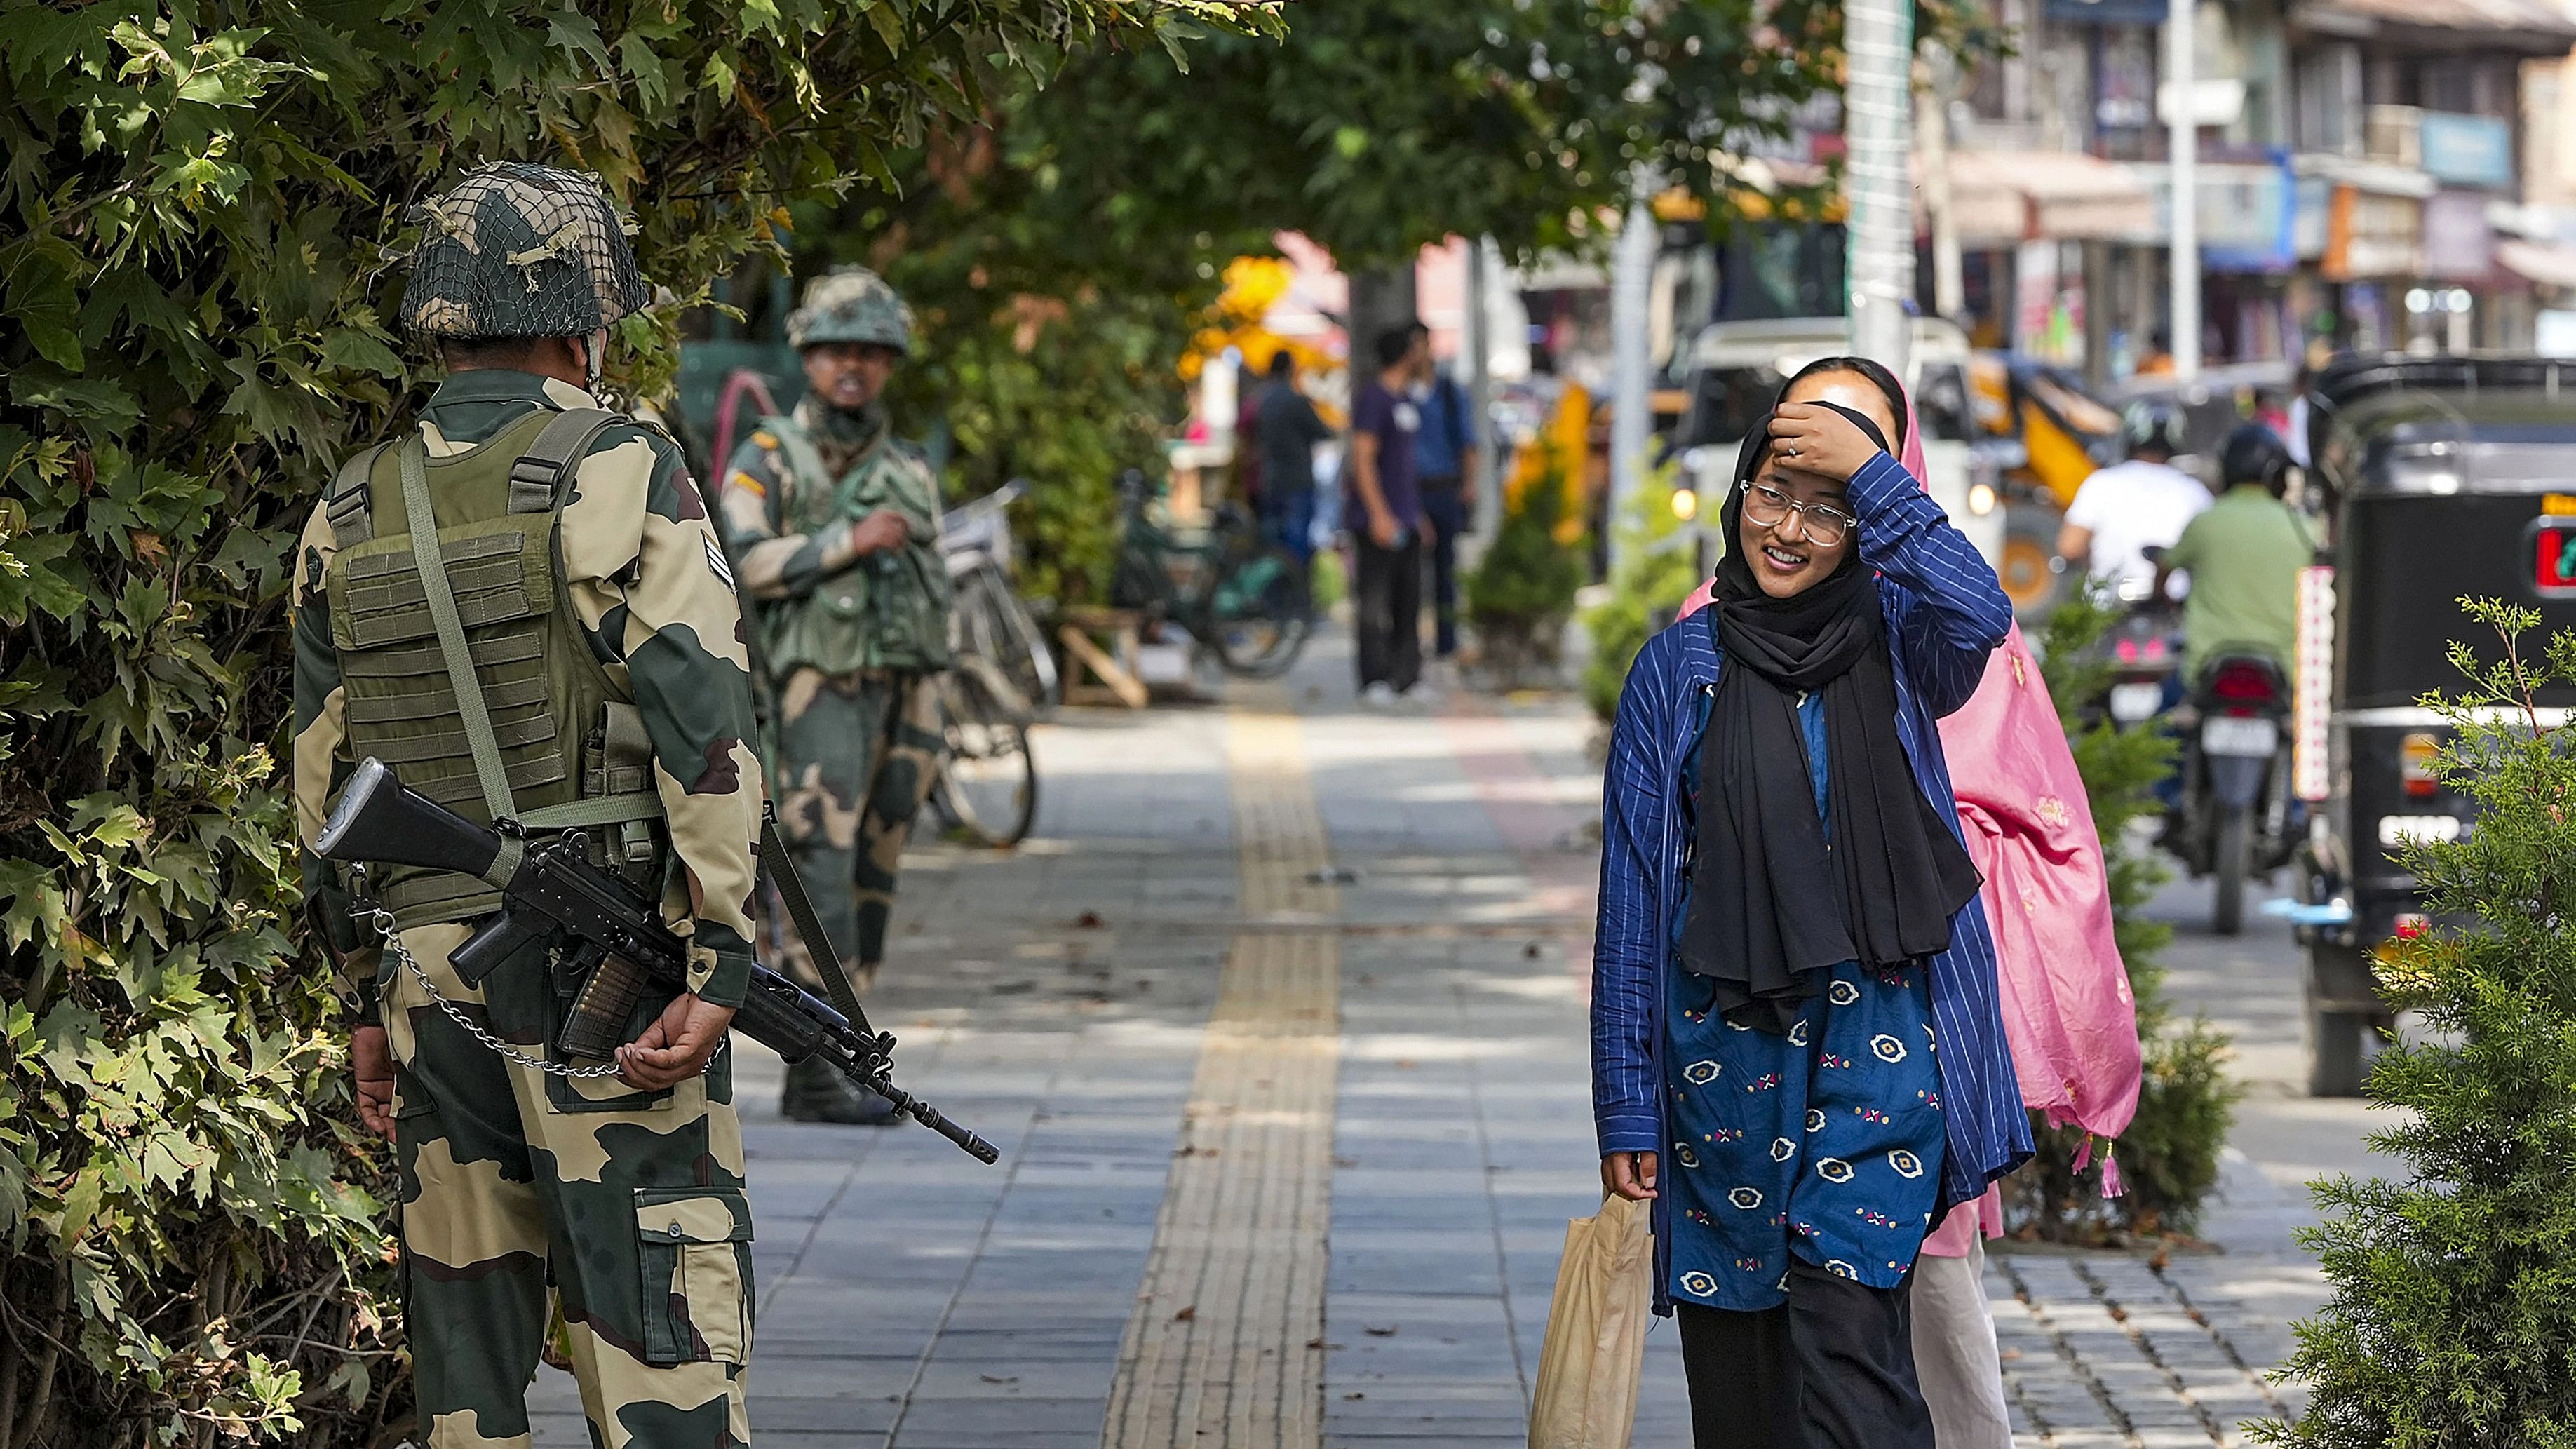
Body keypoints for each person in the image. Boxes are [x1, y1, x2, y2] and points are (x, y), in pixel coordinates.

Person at [293, 163, 764, 1449]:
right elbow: (706, 737)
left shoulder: (349, 503)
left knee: (464, 1363)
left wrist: (366, 997)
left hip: (428, 975)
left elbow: (321, 780)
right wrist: (719, 957)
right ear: (582, 321)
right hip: (610, 981)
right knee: (662, 1339)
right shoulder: (623, 467)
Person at [1594, 356, 2028, 1449]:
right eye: (1771, 495)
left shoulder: (1899, 644)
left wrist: (1869, 475)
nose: (1786, 528)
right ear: (1737, 494)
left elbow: (1981, 606)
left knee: (1857, 1377)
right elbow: (1636, 898)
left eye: (1824, 510)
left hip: (1877, 1064)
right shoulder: (1676, 669)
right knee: (1744, 1405)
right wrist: (1626, 1102)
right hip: (1721, 1074)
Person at [715, 267, 955, 1124]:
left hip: (902, 693)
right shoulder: (769, 456)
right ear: (808, 359)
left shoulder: (906, 466)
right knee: (814, 869)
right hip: (814, 696)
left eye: (869, 352)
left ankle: (853, 1048)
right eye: (835, 351)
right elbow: (744, 560)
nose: (852, 366)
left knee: (873, 871)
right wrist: (848, 542)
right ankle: (816, 1065)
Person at [2152, 423, 2316, 684]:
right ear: (2279, 476)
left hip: (2205, 668)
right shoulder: (2305, 529)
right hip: (2287, 670)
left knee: (2163, 714)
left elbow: (2164, 568)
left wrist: (2163, 600)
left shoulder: (2206, 521)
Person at [1347, 324, 1431, 704]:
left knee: (1408, 600)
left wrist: (1417, 515)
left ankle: (1406, 676)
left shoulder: (1406, 401)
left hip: (1408, 518)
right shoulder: (1374, 400)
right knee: (1374, 601)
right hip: (1377, 522)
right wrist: (1379, 513)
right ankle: (1374, 677)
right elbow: (1363, 459)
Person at [2056, 399, 2209, 602]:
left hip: (2108, 607)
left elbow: (2070, 548)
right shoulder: (2195, 492)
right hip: (2172, 606)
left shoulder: (2101, 483)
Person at [1408, 327, 1483, 661]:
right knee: (1408, 570)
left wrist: (1469, 484)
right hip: (1409, 491)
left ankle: (1446, 641)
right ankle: (1408, 642)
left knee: (1445, 570)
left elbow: (1468, 442)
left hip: (1443, 488)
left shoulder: (1449, 392)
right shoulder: (1401, 392)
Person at [1254, 348, 1335, 563]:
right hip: (1297, 481)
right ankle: (1296, 594)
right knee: (1297, 547)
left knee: (1275, 546)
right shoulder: (1294, 400)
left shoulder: (1264, 399)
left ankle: (1277, 594)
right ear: (1290, 369)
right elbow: (1323, 431)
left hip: (1272, 479)